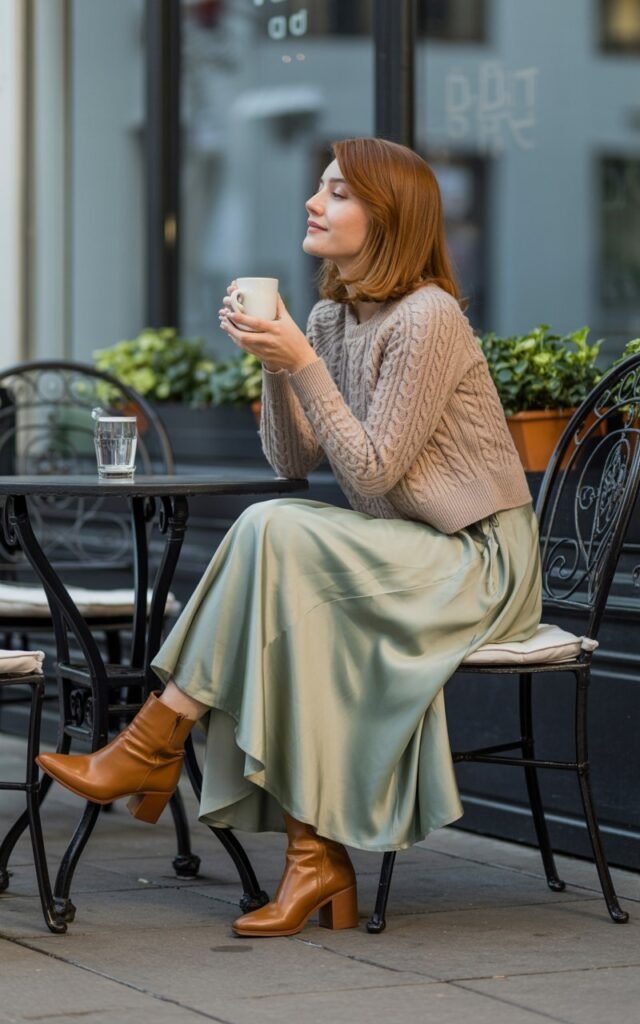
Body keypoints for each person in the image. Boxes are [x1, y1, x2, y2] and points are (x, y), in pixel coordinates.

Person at [38, 137, 541, 938]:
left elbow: (373, 474)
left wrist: (301, 360)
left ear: (390, 216)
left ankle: (154, 739)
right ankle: (313, 860)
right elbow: (293, 461)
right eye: (319, 187)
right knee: (278, 550)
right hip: (395, 548)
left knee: (273, 535)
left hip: (475, 556)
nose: (314, 202)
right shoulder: (330, 316)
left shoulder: (429, 318)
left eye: (338, 192)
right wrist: (277, 361)